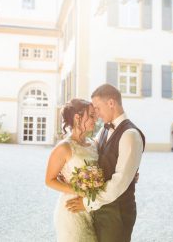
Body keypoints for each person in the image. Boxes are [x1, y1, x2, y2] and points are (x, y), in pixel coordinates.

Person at [66, 84, 145, 242]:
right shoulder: (103, 130)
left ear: (111, 103)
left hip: (117, 212)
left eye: (97, 107)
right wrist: (66, 171)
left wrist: (87, 203)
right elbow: (88, 155)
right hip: (99, 207)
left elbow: (119, 182)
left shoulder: (130, 135)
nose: (96, 113)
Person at [45, 98, 98, 242]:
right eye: (92, 115)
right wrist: (79, 191)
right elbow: (49, 180)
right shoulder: (64, 147)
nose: (96, 119)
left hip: (92, 208)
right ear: (77, 117)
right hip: (72, 210)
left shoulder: (94, 144)